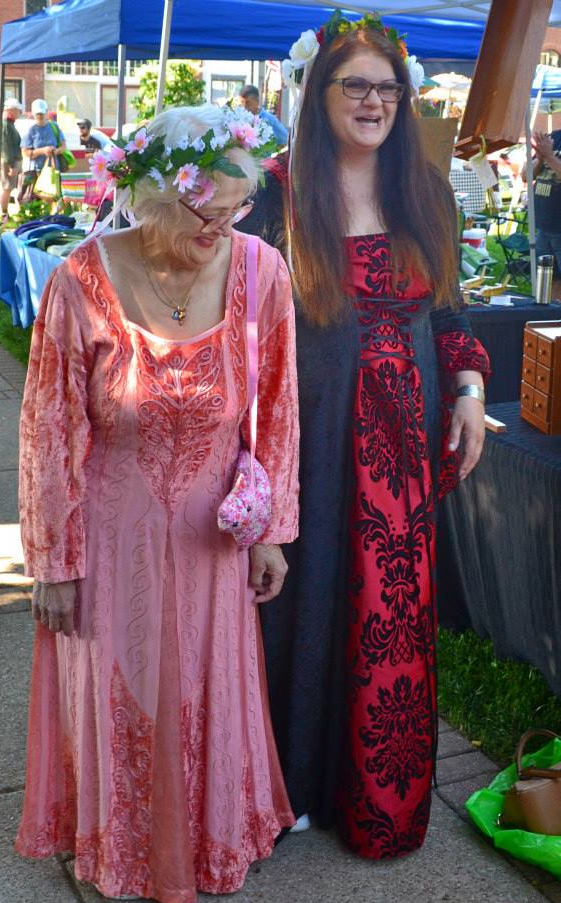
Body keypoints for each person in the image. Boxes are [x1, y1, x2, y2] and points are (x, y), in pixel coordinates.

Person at [15, 104, 300, 903]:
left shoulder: (262, 272)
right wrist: (54, 561)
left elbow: (278, 409)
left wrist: (272, 532)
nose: (223, 227)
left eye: (237, 208)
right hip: (110, 536)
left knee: (205, 688)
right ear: (151, 198)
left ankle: (210, 841)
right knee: (123, 686)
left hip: (215, 536)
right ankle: (127, 848)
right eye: (203, 212)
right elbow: (48, 429)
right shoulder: (80, 280)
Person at [238, 11, 489, 856]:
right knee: (301, 603)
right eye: (356, 86)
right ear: (320, 93)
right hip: (305, 435)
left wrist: (466, 386)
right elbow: (236, 321)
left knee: (387, 613)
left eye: (388, 88)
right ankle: (291, 789)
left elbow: (448, 309)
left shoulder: (425, 191)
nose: (374, 102)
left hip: (400, 448)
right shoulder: (275, 193)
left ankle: (375, 802)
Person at [530, 129, 561, 300]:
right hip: (544, 226)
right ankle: (556, 312)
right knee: (550, 278)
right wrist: (541, 158)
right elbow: (526, 175)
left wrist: (548, 156)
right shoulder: (554, 137)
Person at [19, 98, 66, 201]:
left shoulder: (54, 127)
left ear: (46, 112)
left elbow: (63, 146)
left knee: (53, 199)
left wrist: (55, 151)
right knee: (35, 201)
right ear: (33, 114)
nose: (40, 116)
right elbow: (25, 152)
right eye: (37, 114)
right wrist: (42, 151)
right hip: (36, 172)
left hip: (53, 171)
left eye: (42, 113)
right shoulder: (31, 130)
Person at [0, 97, 22, 220]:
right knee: (7, 187)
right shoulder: (5, 126)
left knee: (9, 188)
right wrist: (11, 165)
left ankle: (6, 213)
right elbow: (6, 147)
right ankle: (4, 214)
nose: (19, 113)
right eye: (17, 110)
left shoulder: (10, 125)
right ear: (10, 110)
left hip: (11, 159)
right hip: (8, 161)